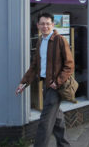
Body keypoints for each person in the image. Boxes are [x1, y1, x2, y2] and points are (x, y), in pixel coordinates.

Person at [16, 13, 73, 147]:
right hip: (46, 86)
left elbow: (69, 64)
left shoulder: (60, 40)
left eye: (48, 23)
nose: (45, 26)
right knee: (57, 120)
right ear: (38, 25)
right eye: (42, 24)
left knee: (45, 122)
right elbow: (35, 66)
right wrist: (23, 83)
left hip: (56, 87)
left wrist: (57, 82)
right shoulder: (40, 40)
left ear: (53, 25)